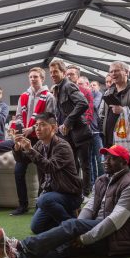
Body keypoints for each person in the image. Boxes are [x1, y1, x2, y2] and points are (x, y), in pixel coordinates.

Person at [0, 144, 130, 258]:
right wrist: (77, 235)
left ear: (124, 163)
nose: (106, 161)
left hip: (122, 240)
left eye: (112, 158)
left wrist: (84, 237)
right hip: (101, 232)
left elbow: (114, 222)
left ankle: (21, 245)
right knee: (67, 246)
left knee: (72, 226)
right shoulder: (102, 180)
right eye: (106, 157)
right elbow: (90, 207)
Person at [13, 112, 82, 234]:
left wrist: (30, 149)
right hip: (49, 194)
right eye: (36, 125)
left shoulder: (63, 146)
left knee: (43, 200)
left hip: (68, 194)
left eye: (42, 125)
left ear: (54, 128)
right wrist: (18, 148)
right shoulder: (40, 144)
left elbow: (49, 167)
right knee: (36, 227)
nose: (38, 129)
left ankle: (73, 225)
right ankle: (69, 216)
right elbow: (22, 160)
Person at [9, 67, 55, 216]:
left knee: (42, 172)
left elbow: (49, 118)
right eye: (31, 77)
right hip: (25, 138)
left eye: (36, 76)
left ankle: (40, 206)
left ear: (42, 78)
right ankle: (23, 205)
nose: (33, 79)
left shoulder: (49, 96)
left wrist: (33, 129)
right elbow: (18, 116)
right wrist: (19, 131)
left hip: (40, 139)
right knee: (18, 171)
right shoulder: (23, 96)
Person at [100, 61, 130, 185]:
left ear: (127, 72)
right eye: (111, 71)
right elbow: (104, 115)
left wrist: (124, 110)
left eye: (116, 70)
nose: (113, 74)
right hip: (112, 141)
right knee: (114, 174)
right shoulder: (108, 92)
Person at [50, 59, 92, 196]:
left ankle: (86, 193)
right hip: (66, 134)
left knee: (84, 165)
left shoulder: (68, 86)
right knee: (73, 164)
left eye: (55, 71)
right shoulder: (57, 88)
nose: (53, 74)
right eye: (51, 72)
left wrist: (67, 122)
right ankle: (76, 191)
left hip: (80, 132)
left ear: (63, 72)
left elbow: (83, 103)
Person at [79, 76, 104, 186]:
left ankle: (102, 181)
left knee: (100, 159)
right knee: (89, 160)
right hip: (84, 132)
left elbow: (93, 106)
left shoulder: (97, 94)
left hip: (95, 132)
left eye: (81, 84)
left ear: (87, 84)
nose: (78, 86)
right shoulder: (78, 95)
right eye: (77, 84)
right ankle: (93, 182)